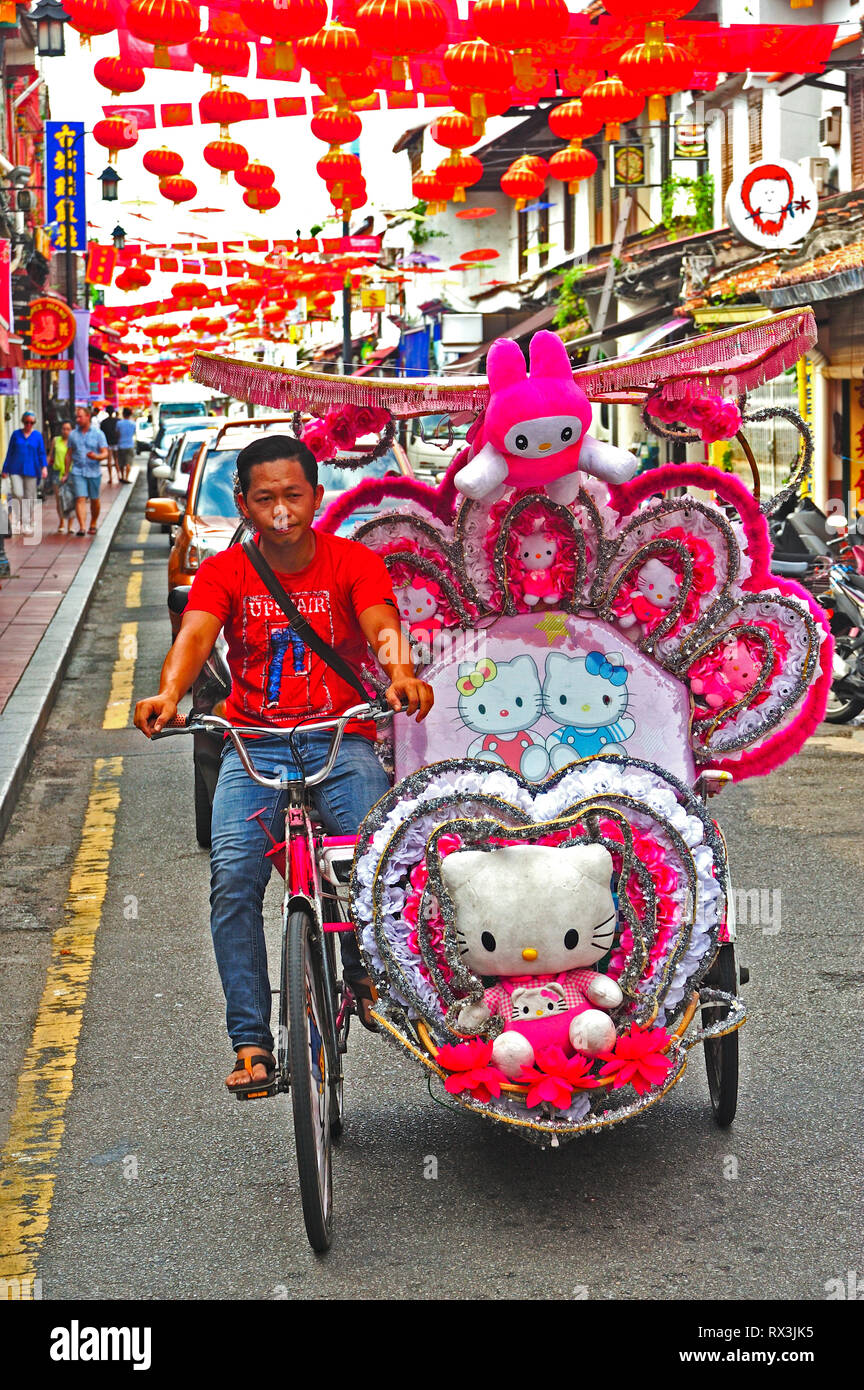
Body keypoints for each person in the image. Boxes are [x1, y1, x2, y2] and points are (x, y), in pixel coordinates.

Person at [134, 435, 434, 1095]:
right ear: (244, 503)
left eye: (292, 495)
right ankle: (250, 1042)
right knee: (233, 881)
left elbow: (381, 622)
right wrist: (167, 693)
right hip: (252, 743)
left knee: (379, 864)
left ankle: (362, 963)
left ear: (316, 498)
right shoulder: (224, 571)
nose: (280, 511)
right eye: (264, 498)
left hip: (340, 738)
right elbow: (196, 635)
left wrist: (401, 674)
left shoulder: (352, 561)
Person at [1, 410, 48, 537]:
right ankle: (19, 517)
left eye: (31, 423)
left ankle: (26, 522)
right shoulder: (16, 434)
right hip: (15, 468)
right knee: (18, 493)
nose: (28, 425)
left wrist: (44, 467)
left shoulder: (37, 436)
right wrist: (5, 469)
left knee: (29, 497)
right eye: (27, 422)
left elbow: (41, 452)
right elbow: (9, 452)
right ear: (23, 422)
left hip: (32, 469)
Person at [68, 405, 109, 536]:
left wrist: (96, 456)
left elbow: (105, 453)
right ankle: (82, 527)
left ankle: (93, 523)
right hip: (78, 470)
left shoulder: (98, 434)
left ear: (88, 417)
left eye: (80, 416)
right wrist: (65, 472)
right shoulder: (73, 435)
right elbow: (69, 454)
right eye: (77, 417)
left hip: (93, 471)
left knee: (94, 499)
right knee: (80, 498)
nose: (78, 419)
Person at [49, 420, 74, 533]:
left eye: (68, 429)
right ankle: (61, 521)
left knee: (71, 498)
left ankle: (70, 525)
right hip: (57, 472)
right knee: (59, 499)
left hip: (71, 472)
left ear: (72, 430)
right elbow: (50, 456)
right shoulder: (55, 440)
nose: (65, 431)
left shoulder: (73, 441)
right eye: (64, 429)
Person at [116, 408, 136, 483]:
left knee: (121, 462)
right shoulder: (133, 423)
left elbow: (117, 433)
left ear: (123, 414)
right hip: (130, 444)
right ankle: (127, 477)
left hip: (121, 444)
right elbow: (134, 433)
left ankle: (122, 476)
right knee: (128, 462)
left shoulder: (119, 423)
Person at [100, 405, 119, 484]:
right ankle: (119, 476)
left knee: (109, 461)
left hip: (107, 443)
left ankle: (111, 478)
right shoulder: (118, 421)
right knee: (117, 460)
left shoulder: (103, 422)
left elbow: (102, 433)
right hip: (116, 442)